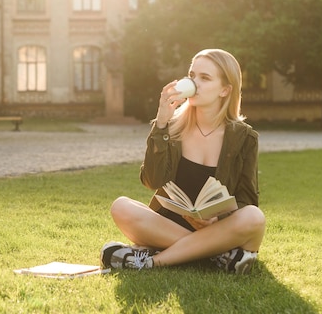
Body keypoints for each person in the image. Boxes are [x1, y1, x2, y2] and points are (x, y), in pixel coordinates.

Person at [100, 48, 265, 274]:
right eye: (192, 75)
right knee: (121, 207)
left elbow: (247, 199)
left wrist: (218, 218)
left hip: (218, 230)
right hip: (170, 225)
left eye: (205, 78)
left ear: (225, 90)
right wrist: (161, 124)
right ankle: (218, 256)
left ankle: (152, 260)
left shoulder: (245, 138)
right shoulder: (172, 128)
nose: (194, 82)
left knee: (254, 217)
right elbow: (151, 180)